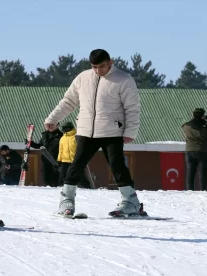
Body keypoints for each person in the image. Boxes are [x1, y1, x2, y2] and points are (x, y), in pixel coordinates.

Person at [43, 48, 143, 217]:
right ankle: (66, 201)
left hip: (112, 131)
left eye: (102, 66)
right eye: (95, 67)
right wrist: (53, 119)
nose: (98, 70)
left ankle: (130, 201)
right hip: (86, 131)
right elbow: (68, 101)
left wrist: (130, 131)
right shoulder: (83, 78)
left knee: (117, 166)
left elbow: (132, 109)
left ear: (110, 62)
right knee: (76, 165)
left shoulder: (124, 80)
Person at [182, 108, 207, 191]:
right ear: (202, 116)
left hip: (189, 150)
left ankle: (189, 190)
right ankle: (203, 189)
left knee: (190, 172)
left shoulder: (186, 125)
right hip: (202, 151)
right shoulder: (205, 127)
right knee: (202, 172)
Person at [56, 121, 91, 189]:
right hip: (65, 160)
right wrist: (59, 160)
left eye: (64, 128)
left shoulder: (77, 137)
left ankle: (87, 188)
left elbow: (82, 148)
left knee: (80, 175)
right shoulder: (63, 138)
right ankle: (60, 188)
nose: (63, 130)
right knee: (62, 176)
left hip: (75, 160)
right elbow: (61, 150)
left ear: (69, 128)